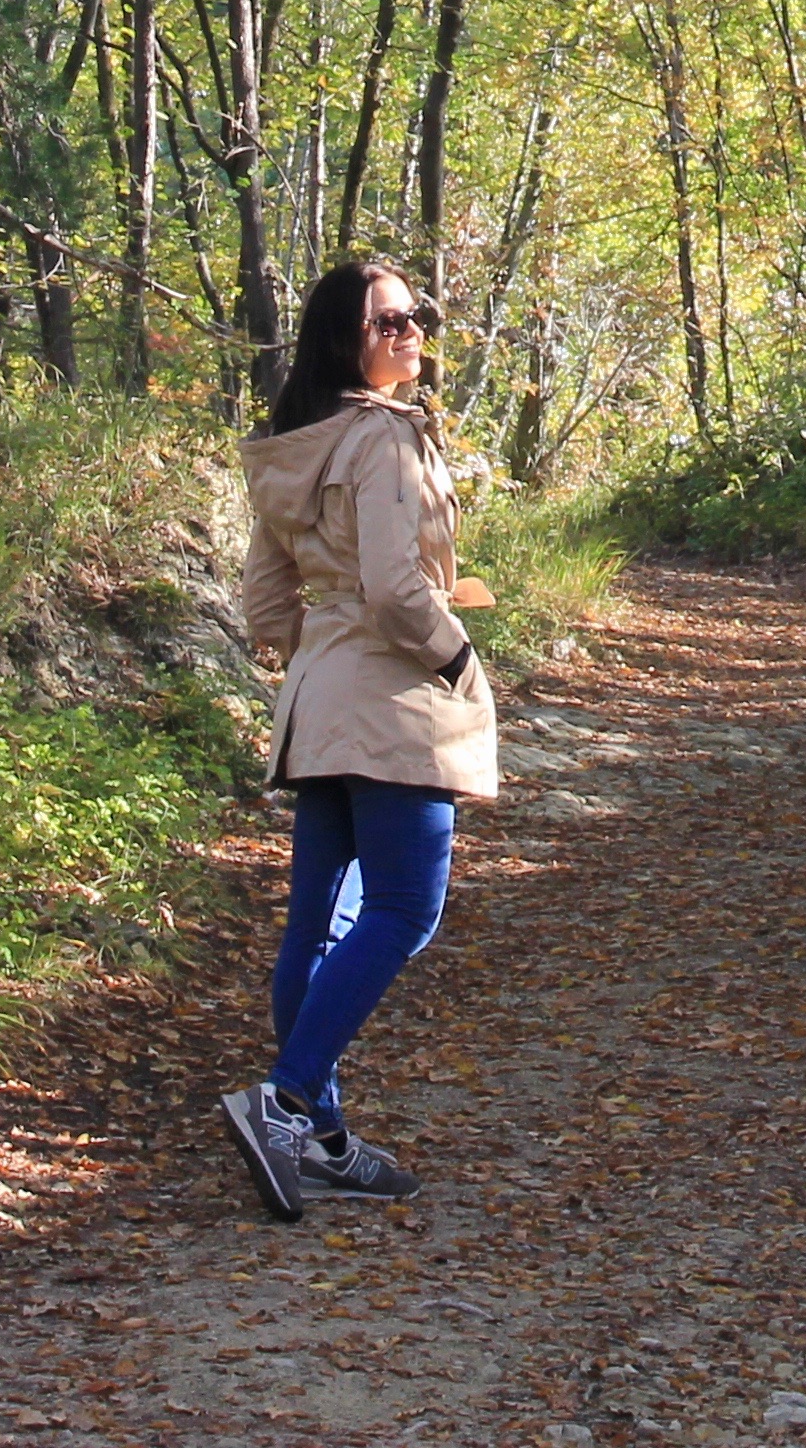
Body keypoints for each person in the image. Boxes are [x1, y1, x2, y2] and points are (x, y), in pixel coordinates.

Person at [223, 254, 497, 1217]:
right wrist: (454, 656)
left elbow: (266, 598)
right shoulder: (378, 438)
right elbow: (394, 587)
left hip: (322, 698)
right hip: (389, 702)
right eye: (387, 322)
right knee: (403, 910)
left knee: (322, 921)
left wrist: (320, 661)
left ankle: (323, 1138)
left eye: (415, 316)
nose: (410, 331)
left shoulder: (299, 441)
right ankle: (287, 1098)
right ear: (344, 340)